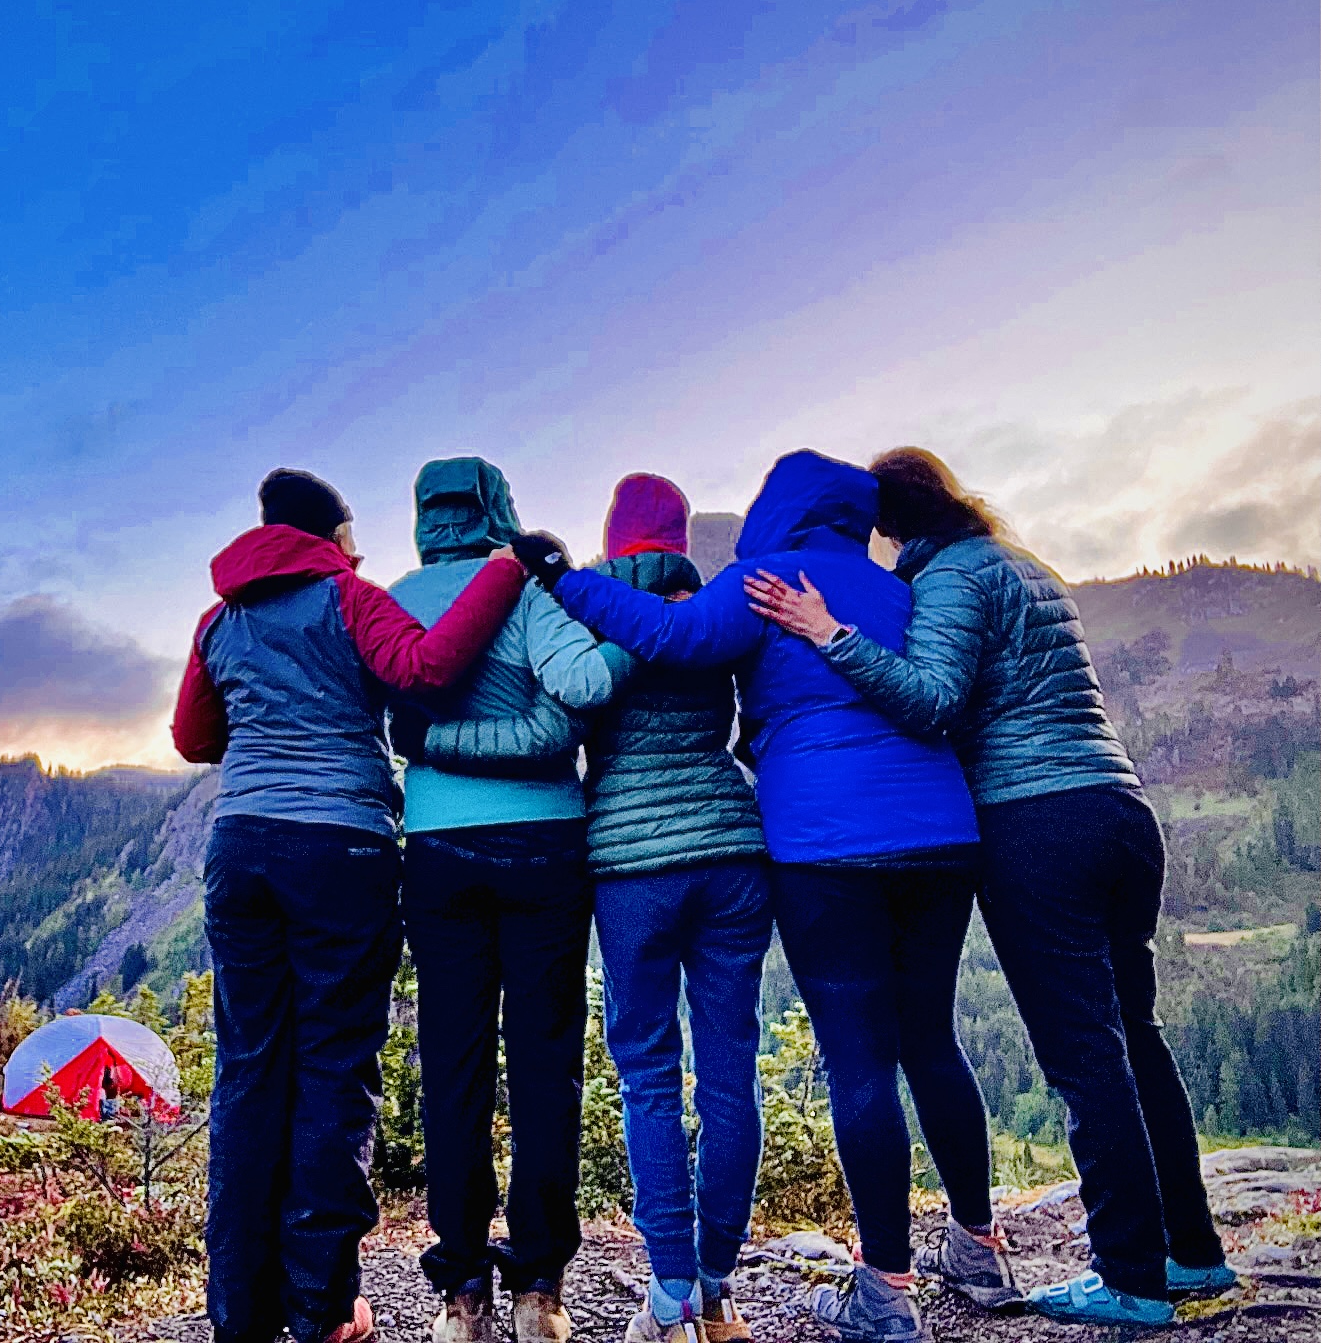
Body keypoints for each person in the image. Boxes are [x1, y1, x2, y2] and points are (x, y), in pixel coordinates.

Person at [514, 450, 1016, 1343]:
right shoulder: (902, 588)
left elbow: (671, 639)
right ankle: (964, 1243)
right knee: (919, 1042)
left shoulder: (760, 580)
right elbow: (945, 698)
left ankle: (865, 1290)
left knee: (848, 1064)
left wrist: (561, 579)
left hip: (818, 847)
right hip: (937, 836)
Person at [743, 448, 1233, 1330]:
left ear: (889, 524)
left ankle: (1129, 1277)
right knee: (1137, 1039)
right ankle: (1190, 1255)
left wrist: (829, 634)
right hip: (1117, 807)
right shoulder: (1022, 563)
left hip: (1035, 822)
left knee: (1086, 1056)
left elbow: (930, 700)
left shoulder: (951, 578)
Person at [171, 467, 528, 1343]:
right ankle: (323, 1309)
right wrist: (509, 569)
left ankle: (239, 1314)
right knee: (334, 1070)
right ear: (332, 535)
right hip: (341, 850)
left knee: (249, 1070)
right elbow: (430, 670)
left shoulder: (220, 619)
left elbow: (192, 739)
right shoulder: (348, 596)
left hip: (242, 847)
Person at [431, 473, 770, 1343]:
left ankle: (666, 1294)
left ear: (615, 539)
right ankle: (717, 1292)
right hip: (732, 854)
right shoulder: (716, 609)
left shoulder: (580, 603)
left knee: (647, 1074)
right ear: (682, 538)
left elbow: (570, 712)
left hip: (630, 865)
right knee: (730, 1071)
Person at [381, 456, 619, 1343]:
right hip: (545, 843)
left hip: (436, 849)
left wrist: (436, 743)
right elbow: (587, 688)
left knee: (452, 1065)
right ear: (500, 508)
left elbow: (380, 715)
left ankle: (460, 1297)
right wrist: (541, 733)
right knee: (546, 1061)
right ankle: (538, 1292)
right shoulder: (523, 590)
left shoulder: (395, 596)